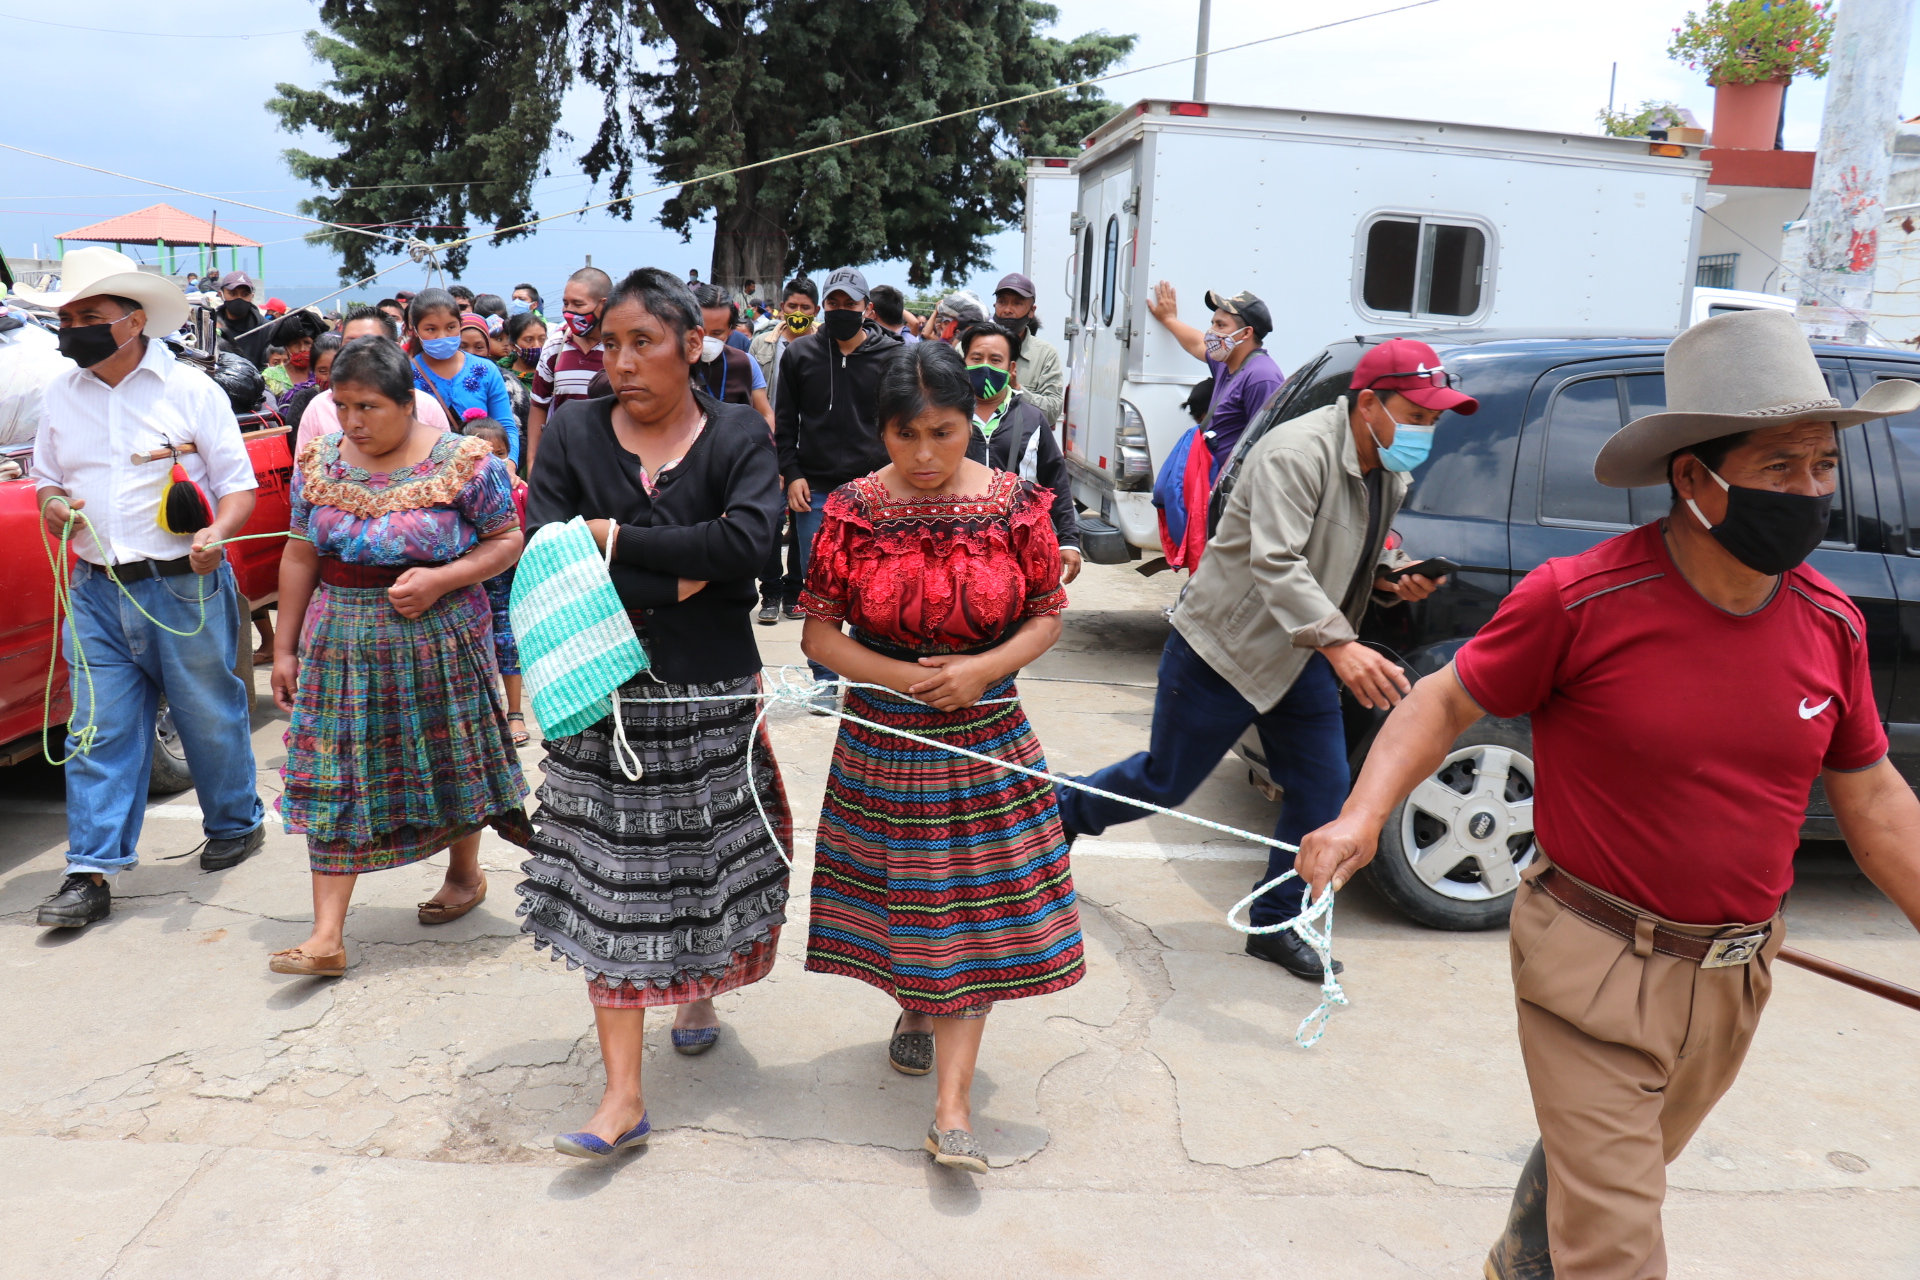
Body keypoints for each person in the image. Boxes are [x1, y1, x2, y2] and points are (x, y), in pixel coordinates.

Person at [1296, 310, 1920, 1280]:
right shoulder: (1579, 599)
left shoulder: (1828, 624)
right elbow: (1445, 698)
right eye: (1780, 466)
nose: (1811, 494)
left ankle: (1523, 1254)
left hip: (1735, 977)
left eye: (1822, 467)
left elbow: (1875, 801)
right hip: (1590, 959)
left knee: (1613, 1173)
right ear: (1693, 477)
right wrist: (1360, 815)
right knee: (1621, 1251)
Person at [1056, 338, 1475, 979]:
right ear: (1369, 404)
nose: (1425, 431)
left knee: (1322, 790)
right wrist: (1343, 647)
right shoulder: (1295, 453)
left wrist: (1393, 575)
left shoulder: (1387, 468)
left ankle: (1275, 922)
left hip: (1300, 651)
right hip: (1224, 650)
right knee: (1163, 781)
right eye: (1416, 416)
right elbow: (1275, 560)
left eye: (1433, 420)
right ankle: (1058, 816)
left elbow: (1342, 553)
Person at [517, 266, 790, 1159]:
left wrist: (615, 537)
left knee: (704, 873)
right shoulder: (570, 432)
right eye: (610, 345)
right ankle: (622, 1098)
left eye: (643, 342)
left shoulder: (740, 434)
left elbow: (750, 547)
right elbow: (549, 553)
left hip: (710, 694)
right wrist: (680, 573)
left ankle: (700, 987)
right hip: (601, 696)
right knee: (615, 889)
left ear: (692, 345)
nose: (622, 362)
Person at [800, 339, 1083, 1174]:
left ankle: (952, 1112)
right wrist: (909, 682)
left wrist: (982, 670)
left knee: (978, 914)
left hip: (988, 736)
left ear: (974, 422)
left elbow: (1046, 614)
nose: (925, 456)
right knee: (911, 904)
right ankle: (914, 1008)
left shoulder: (1017, 506)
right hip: (886, 741)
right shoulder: (851, 510)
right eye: (905, 435)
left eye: (945, 433)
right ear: (880, 430)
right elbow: (819, 633)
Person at [268, 337, 529, 978]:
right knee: (335, 773)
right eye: (342, 405)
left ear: (408, 405)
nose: (353, 421)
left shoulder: (464, 461)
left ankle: (465, 876)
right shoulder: (319, 461)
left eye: (368, 407)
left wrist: (443, 578)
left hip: (439, 639)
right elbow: (301, 552)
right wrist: (284, 646)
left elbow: (507, 539)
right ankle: (326, 934)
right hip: (339, 644)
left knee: (452, 757)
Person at [22, 247, 266, 929]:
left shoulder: (191, 391)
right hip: (96, 589)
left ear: (133, 322)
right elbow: (46, 477)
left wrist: (216, 534)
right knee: (97, 731)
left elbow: (239, 489)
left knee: (209, 717)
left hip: (181, 585)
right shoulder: (62, 396)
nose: (72, 327)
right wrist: (50, 504)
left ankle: (235, 821)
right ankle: (91, 870)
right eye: (67, 317)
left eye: (88, 315)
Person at [774, 267, 904, 702]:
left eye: (851, 304)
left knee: (878, 585)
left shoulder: (894, 358)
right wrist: (792, 474)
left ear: (867, 308)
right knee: (820, 588)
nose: (842, 311)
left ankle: (870, 678)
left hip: (877, 492)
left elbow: (904, 424)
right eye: (834, 304)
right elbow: (785, 423)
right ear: (824, 306)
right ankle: (825, 682)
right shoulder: (799, 355)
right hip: (817, 492)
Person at [957, 320, 1079, 583]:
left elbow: (1055, 479)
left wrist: (1068, 541)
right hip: (958, 546)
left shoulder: (1033, 419)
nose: (985, 366)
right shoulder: (946, 418)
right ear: (963, 363)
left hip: (1020, 549)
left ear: (1011, 368)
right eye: (976, 358)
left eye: (996, 359)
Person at [1146, 284, 1284, 480]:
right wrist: (1168, 319)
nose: (1211, 332)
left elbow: (1265, 446)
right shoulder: (1226, 364)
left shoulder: (1261, 376)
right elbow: (1195, 343)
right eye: (1213, 324)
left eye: (1220, 325)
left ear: (1246, 333)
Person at [750, 277, 819, 624]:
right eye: (792, 306)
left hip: (811, 449)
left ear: (815, 311)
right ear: (782, 308)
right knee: (770, 520)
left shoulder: (824, 346)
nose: (798, 313)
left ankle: (794, 591)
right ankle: (771, 592)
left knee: (802, 519)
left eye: (805, 308)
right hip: (769, 446)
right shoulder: (761, 345)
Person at [458, 417, 529, 746]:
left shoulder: (520, 491)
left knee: (508, 644)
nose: (492, 463)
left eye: (500, 454)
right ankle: (487, 716)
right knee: (473, 647)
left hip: (508, 581)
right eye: (482, 455)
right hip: (469, 582)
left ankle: (515, 714)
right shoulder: (453, 491)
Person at [295, 306, 451, 455]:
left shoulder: (426, 405)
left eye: (371, 343)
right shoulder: (318, 407)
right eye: (350, 344)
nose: (353, 423)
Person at [407, 290, 519, 462]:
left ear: (460, 325)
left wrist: (509, 463)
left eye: (450, 327)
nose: (442, 336)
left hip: (481, 475)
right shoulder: (406, 374)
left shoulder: (486, 369)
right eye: (431, 329)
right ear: (415, 330)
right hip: (427, 478)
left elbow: (506, 427)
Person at [524, 266, 610, 474]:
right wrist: (533, 461)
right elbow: (539, 405)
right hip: (563, 462)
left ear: (603, 305)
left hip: (609, 463)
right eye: (565, 303)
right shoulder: (556, 344)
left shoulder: (618, 347)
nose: (568, 311)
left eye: (578, 304)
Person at [691, 283, 772, 426]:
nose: (706, 338)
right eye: (701, 331)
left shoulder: (746, 363)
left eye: (717, 333)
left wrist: (761, 446)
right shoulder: (676, 362)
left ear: (730, 330)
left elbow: (766, 414)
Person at [990, 273, 1063, 426]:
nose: (1007, 310)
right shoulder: (968, 349)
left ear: (1031, 310)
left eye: (1017, 303)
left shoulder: (1045, 354)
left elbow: (1052, 413)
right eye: (1002, 302)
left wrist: (1016, 388)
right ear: (994, 306)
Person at [496, 311, 545, 435]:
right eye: (529, 340)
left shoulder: (553, 373)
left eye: (542, 339)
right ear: (513, 344)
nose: (537, 345)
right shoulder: (501, 376)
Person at [213, 270, 273, 368]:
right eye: (232, 294)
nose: (239, 298)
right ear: (221, 295)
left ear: (252, 296)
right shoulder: (210, 326)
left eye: (244, 294)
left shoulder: (266, 329)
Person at [281, 331, 342, 422]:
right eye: (323, 371)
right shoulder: (304, 400)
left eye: (336, 369)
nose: (330, 377)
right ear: (314, 371)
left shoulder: (360, 399)